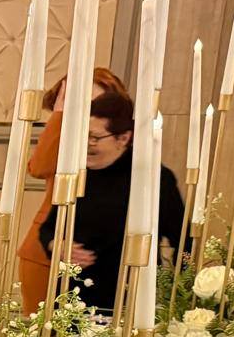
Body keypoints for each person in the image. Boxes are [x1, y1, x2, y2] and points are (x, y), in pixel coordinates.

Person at [38, 91, 184, 313]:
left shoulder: (153, 178)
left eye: (95, 137)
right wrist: (56, 245)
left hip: (127, 299)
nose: (87, 144)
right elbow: (48, 229)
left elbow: (182, 241)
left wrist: (180, 298)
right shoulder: (77, 172)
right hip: (72, 297)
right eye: (84, 135)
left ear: (123, 138)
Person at [18, 68, 129, 312]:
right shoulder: (62, 136)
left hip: (104, 258)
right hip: (46, 253)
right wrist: (60, 115)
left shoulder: (120, 142)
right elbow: (39, 168)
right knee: (41, 331)